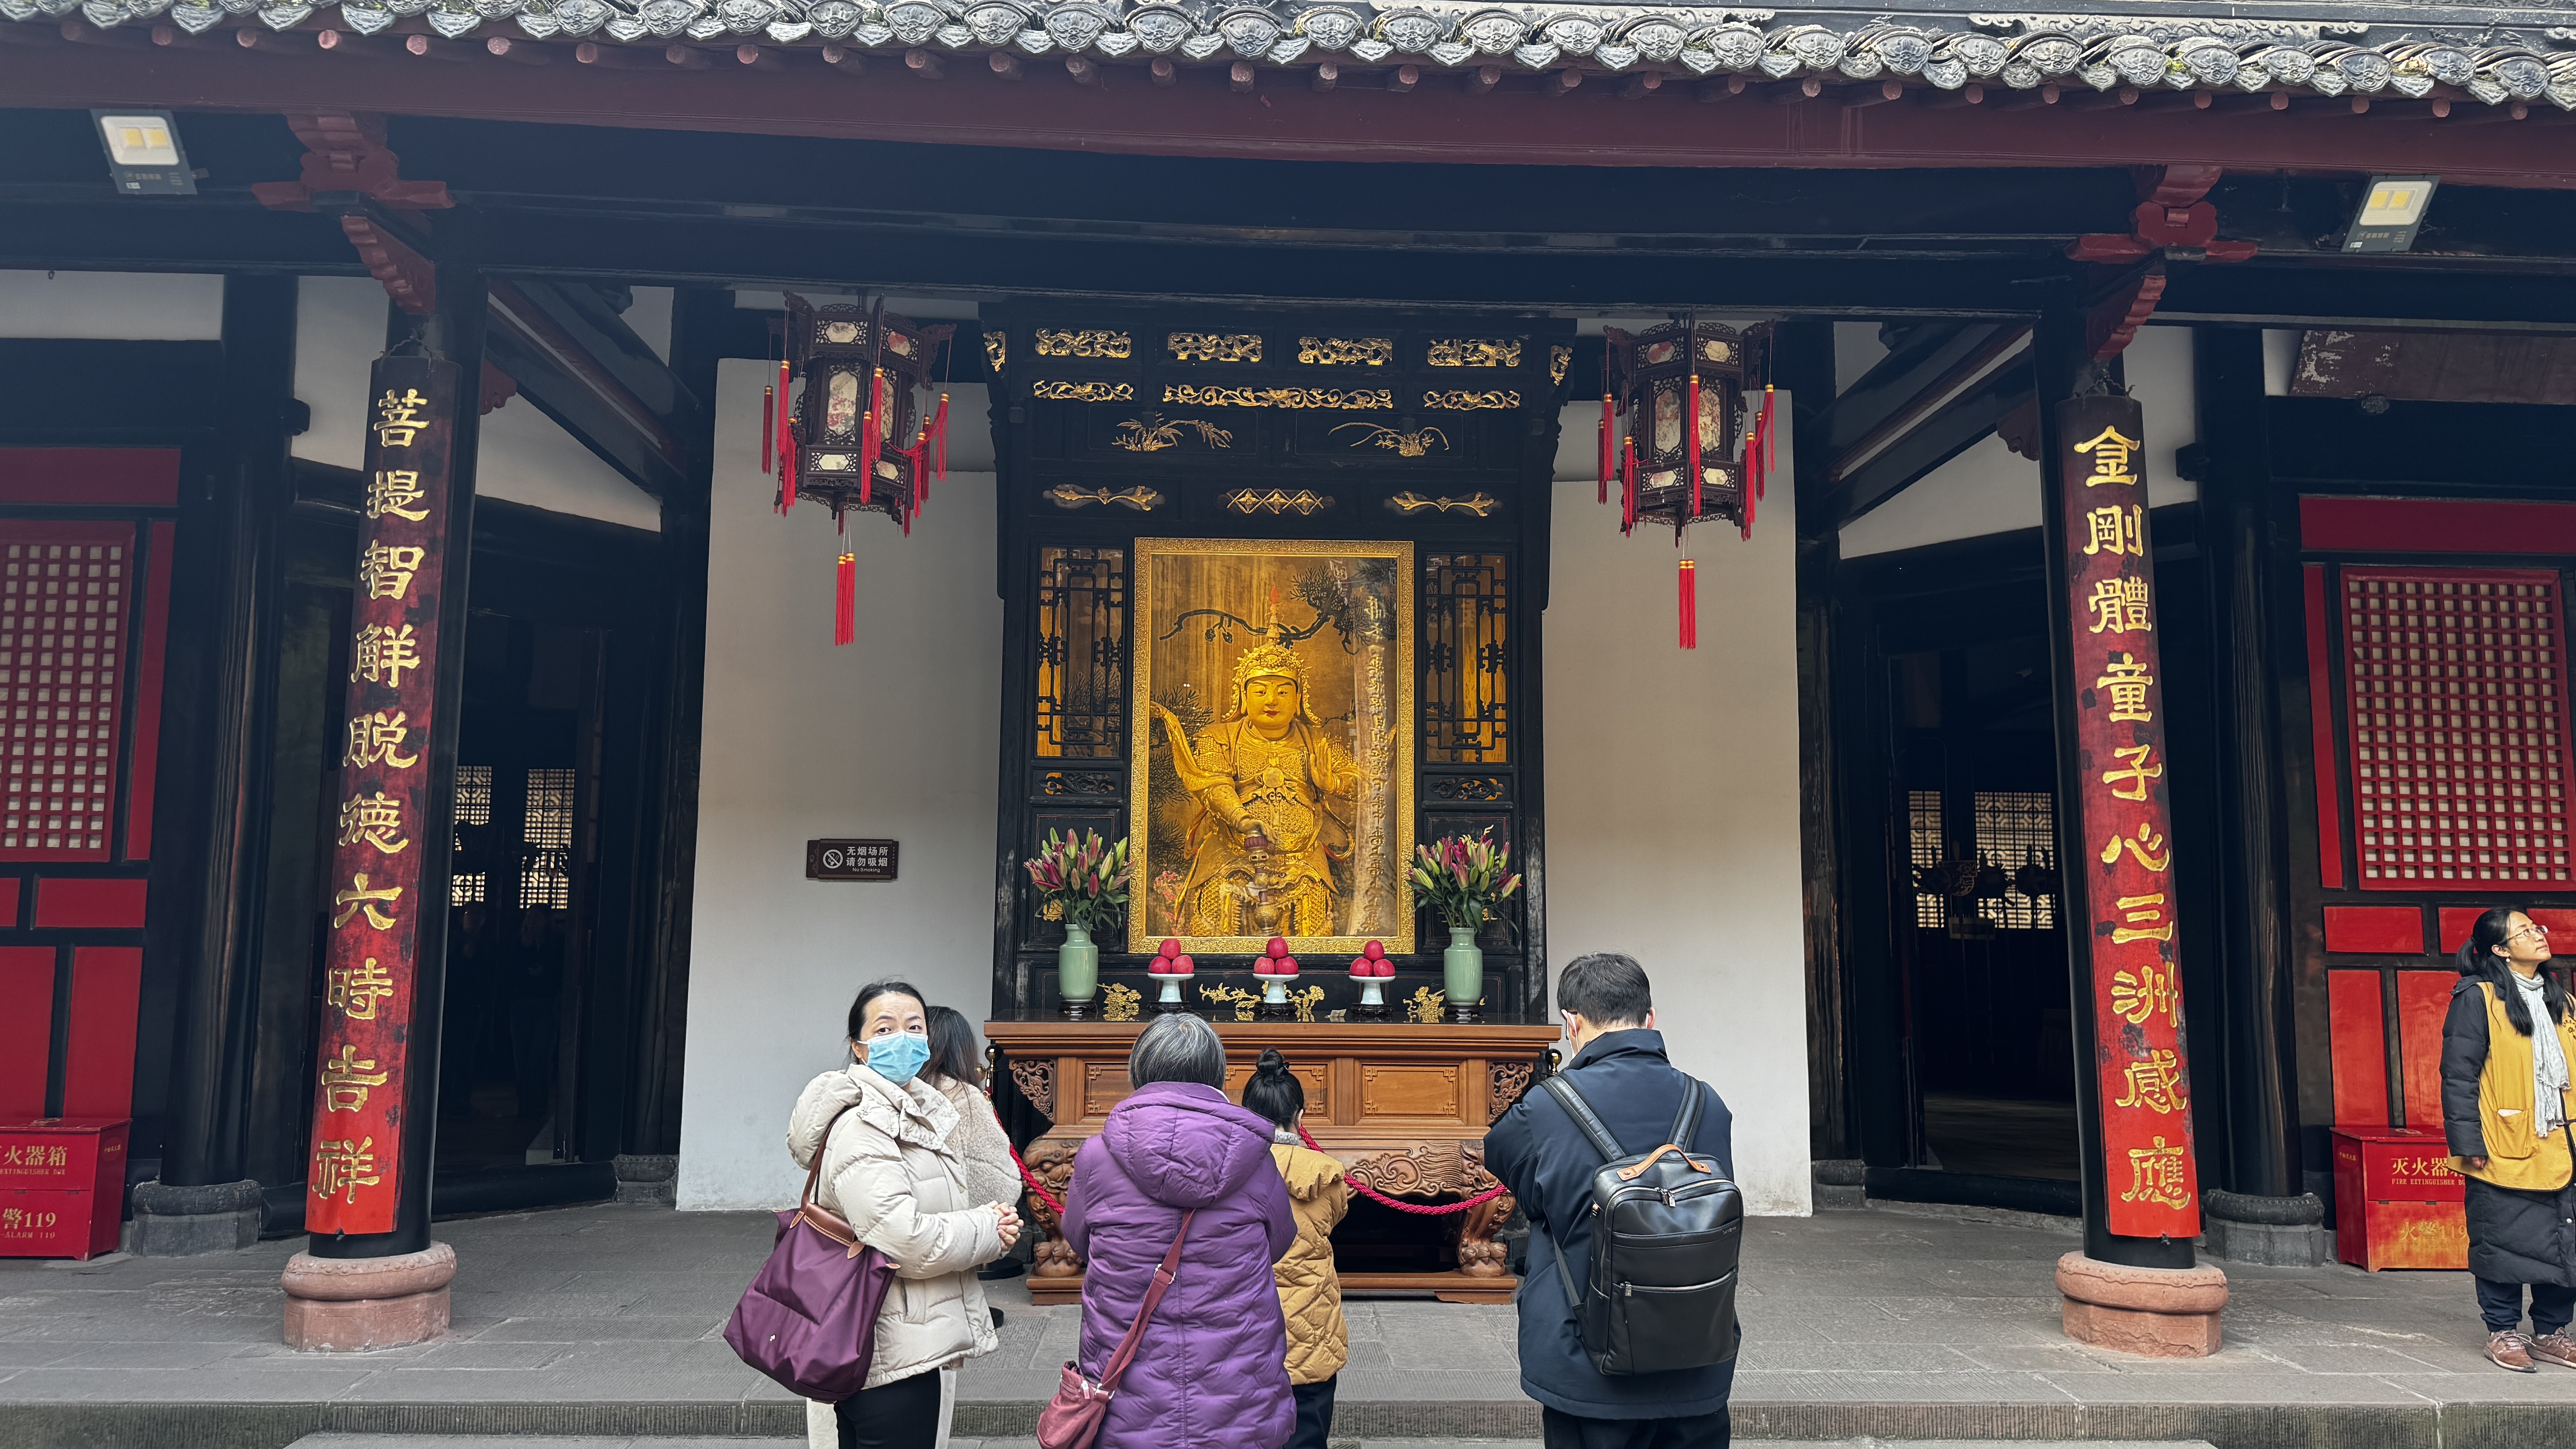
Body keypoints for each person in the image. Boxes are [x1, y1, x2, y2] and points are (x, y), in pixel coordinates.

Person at [1484, 952, 1736, 1449]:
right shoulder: (1707, 1102)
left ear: (1571, 1023)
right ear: (1650, 1018)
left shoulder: (1545, 1108)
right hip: (1697, 1355)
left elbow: (1518, 1179)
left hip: (1587, 1361)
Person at [787, 980, 1022, 1449]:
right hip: (886, 1345)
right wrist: (988, 1228)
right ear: (858, 1046)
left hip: (896, 1335)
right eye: (885, 1028)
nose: (903, 1038)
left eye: (915, 1027)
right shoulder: (866, 1123)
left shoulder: (916, 1111)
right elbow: (902, 1239)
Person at [1060, 1012, 1297, 1449]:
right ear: (1217, 1073)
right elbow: (1279, 1242)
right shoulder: (1254, 1156)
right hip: (1237, 1390)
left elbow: (1079, 1240)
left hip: (1127, 1389)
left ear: (1140, 1071)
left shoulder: (1097, 1156)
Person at [2441, 907, 2576, 1372]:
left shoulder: (2564, 1001)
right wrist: (2468, 1142)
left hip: (2563, 1143)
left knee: (2566, 1240)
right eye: (2525, 932)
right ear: (2500, 949)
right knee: (2500, 1241)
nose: (2539, 935)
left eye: (2537, 928)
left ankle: (2552, 1332)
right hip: (2503, 1142)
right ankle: (2502, 1331)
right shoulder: (2477, 998)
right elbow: (2458, 1075)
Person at [1241, 1049, 1350, 1449]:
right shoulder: (1324, 1175)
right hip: (1310, 1328)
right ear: (1300, 1117)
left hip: (1246, 1328)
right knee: (1308, 1430)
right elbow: (1335, 1215)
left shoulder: (1230, 1168)